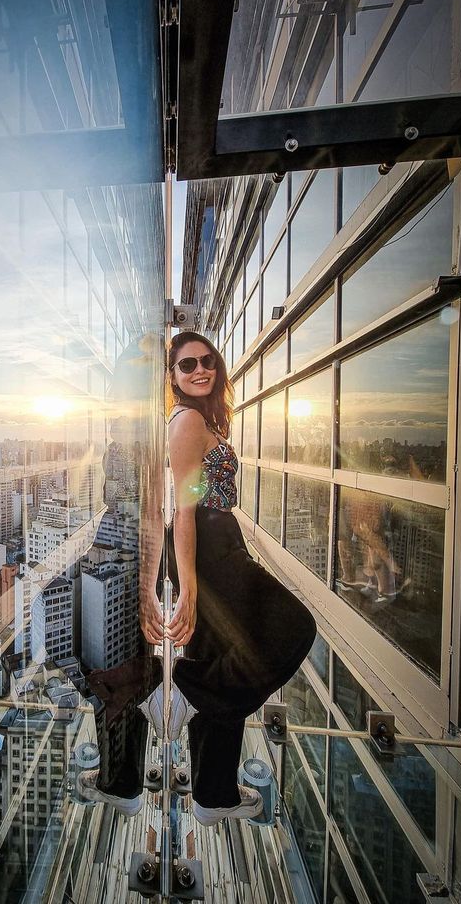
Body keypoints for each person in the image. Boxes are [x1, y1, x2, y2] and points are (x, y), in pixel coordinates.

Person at [143, 330, 317, 826]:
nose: (200, 370)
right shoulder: (188, 421)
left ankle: (212, 793)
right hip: (211, 545)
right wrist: (192, 583)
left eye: (207, 361)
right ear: (172, 377)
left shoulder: (200, 418)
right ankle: (184, 693)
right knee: (293, 627)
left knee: (229, 660)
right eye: (186, 364)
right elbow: (185, 510)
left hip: (216, 540)